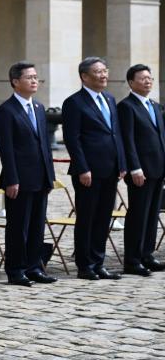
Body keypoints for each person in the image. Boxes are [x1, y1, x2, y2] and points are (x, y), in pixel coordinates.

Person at [62, 57, 126, 280]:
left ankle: (98, 262)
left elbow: (116, 133)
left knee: (103, 217)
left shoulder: (109, 98)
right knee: (87, 218)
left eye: (105, 70)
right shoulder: (74, 102)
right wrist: (82, 168)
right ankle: (85, 265)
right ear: (84, 76)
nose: (104, 75)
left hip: (110, 168)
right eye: (98, 71)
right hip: (88, 171)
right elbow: (73, 139)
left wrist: (122, 163)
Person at [0, 62, 56, 287]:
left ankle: (34, 267)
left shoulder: (38, 107)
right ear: (15, 82)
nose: (34, 81)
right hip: (19, 180)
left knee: (37, 226)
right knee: (18, 227)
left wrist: (49, 176)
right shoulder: (6, 110)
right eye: (29, 77)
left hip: (40, 177)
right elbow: (7, 149)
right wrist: (12, 179)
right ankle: (16, 270)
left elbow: (45, 145)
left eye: (36, 77)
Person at [118, 64, 165, 276]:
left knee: (152, 214)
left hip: (158, 168)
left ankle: (147, 254)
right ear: (131, 82)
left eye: (150, 78)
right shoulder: (126, 106)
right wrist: (134, 167)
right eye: (143, 78)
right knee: (138, 214)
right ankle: (133, 259)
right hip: (140, 171)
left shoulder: (154, 106)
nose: (148, 81)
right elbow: (127, 140)